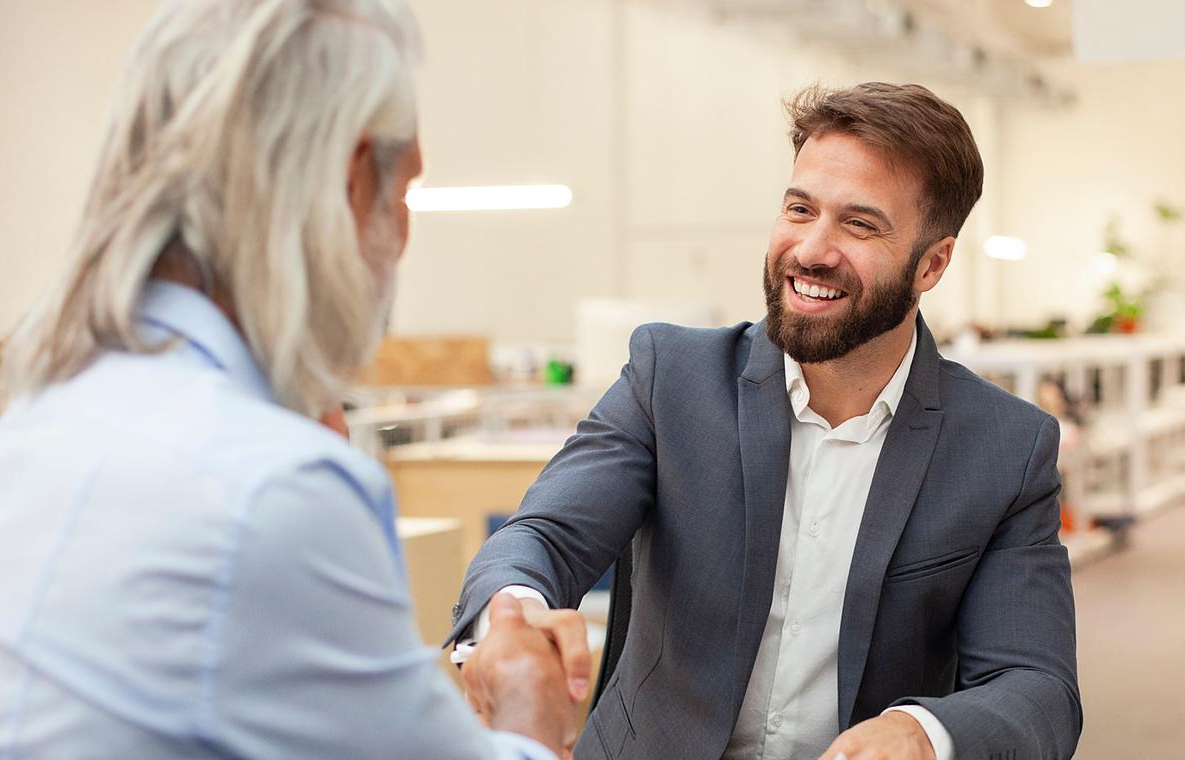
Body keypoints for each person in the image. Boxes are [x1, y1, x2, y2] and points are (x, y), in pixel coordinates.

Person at [0, 1, 579, 757]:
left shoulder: (24, 431)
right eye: (404, 191)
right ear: (354, 181)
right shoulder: (272, 491)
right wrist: (532, 714)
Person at [451, 82, 1083, 760]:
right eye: (799, 208)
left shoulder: (1004, 448)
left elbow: (1036, 687)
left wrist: (924, 734)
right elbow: (545, 535)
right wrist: (512, 616)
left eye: (860, 224)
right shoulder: (672, 379)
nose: (812, 249)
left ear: (931, 264)